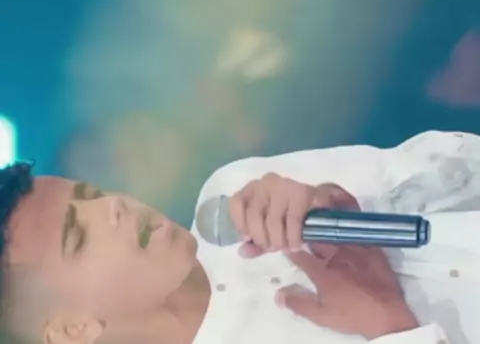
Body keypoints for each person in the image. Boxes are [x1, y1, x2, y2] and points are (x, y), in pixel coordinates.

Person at [1, 130, 479, 344]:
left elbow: (466, 163)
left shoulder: (235, 193)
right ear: (74, 330)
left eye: (92, 193)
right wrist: (391, 328)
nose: (114, 207)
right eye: (79, 236)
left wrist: (356, 199)